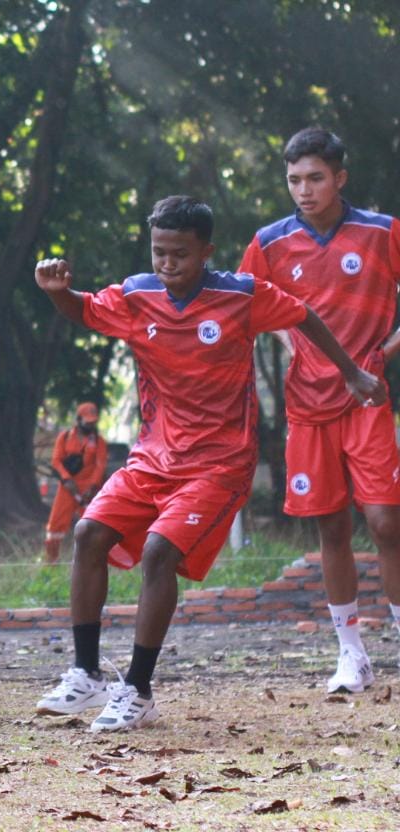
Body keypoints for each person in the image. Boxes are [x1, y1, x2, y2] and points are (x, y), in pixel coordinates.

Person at [33, 195, 379, 732]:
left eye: (180, 255)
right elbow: (85, 309)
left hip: (220, 461)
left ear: (207, 252)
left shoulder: (240, 295)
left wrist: (351, 372)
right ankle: (85, 672)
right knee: (87, 535)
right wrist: (59, 294)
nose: (167, 264)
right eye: (159, 253)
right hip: (153, 455)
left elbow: (304, 315)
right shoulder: (136, 294)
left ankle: (139, 690)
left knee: (157, 553)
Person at [240, 127, 400, 694]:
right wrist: (296, 344)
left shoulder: (382, 233)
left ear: (340, 179)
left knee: (385, 522)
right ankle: (351, 654)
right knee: (332, 528)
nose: (303, 190)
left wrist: (383, 353)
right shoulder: (270, 242)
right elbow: (252, 310)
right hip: (307, 407)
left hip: (368, 403)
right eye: (293, 180)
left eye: (314, 178)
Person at [44, 403, 109, 564]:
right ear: (78, 420)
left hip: (89, 491)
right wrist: (67, 480)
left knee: (92, 525)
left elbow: (100, 466)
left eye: (94, 422)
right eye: (88, 422)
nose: (91, 425)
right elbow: (56, 461)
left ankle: (91, 562)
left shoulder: (99, 441)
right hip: (67, 488)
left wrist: (93, 487)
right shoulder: (65, 437)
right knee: (55, 527)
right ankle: (51, 563)